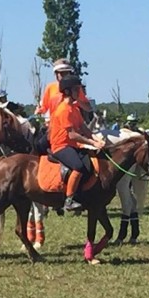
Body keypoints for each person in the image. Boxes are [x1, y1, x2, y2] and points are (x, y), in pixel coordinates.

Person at [49, 74, 105, 211]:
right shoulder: (63, 110)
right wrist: (92, 143)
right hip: (60, 146)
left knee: (88, 165)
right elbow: (72, 134)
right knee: (78, 167)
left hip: (72, 145)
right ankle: (68, 201)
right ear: (68, 91)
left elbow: (83, 128)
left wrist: (96, 139)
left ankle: (80, 196)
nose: (79, 93)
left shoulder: (74, 109)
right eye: (76, 90)